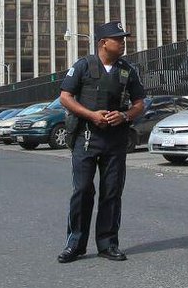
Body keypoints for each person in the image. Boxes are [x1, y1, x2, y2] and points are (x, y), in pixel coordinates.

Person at [57, 20, 146, 263]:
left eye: (124, 38)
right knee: (83, 191)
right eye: (118, 39)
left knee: (112, 193)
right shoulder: (84, 66)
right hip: (86, 139)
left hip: (116, 141)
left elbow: (140, 103)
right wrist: (91, 115)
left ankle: (108, 244)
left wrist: (125, 115)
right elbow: (65, 97)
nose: (123, 42)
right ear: (103, 43)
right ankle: (75, 244)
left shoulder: (127, 71)